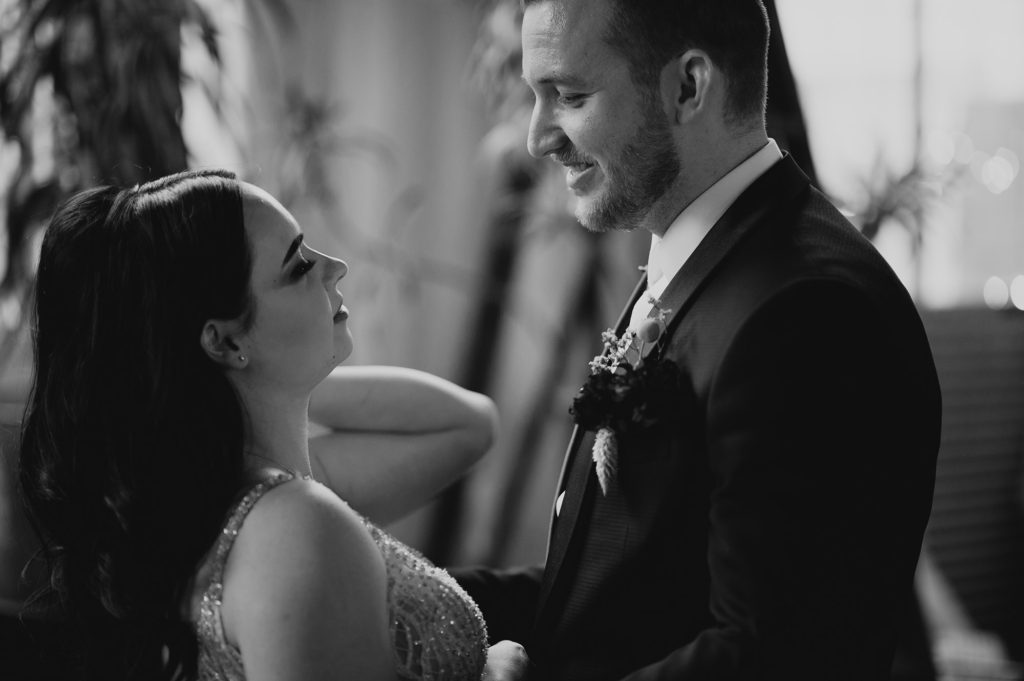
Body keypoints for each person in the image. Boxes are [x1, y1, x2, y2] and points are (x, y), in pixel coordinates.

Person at [453, 0, 942, 679]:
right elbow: (619, 591)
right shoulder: (701, 259)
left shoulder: (809, 313)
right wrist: (395, 591)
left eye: (569, 96)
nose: (538, 138)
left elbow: (771, 655)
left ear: (688, 86)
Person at [17, 169, 529, 681]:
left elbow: (469, 425)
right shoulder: (295, 527)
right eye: (299, 264)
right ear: (225, 341)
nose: (337, 267)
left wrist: (247, 378)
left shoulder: (231, 496)